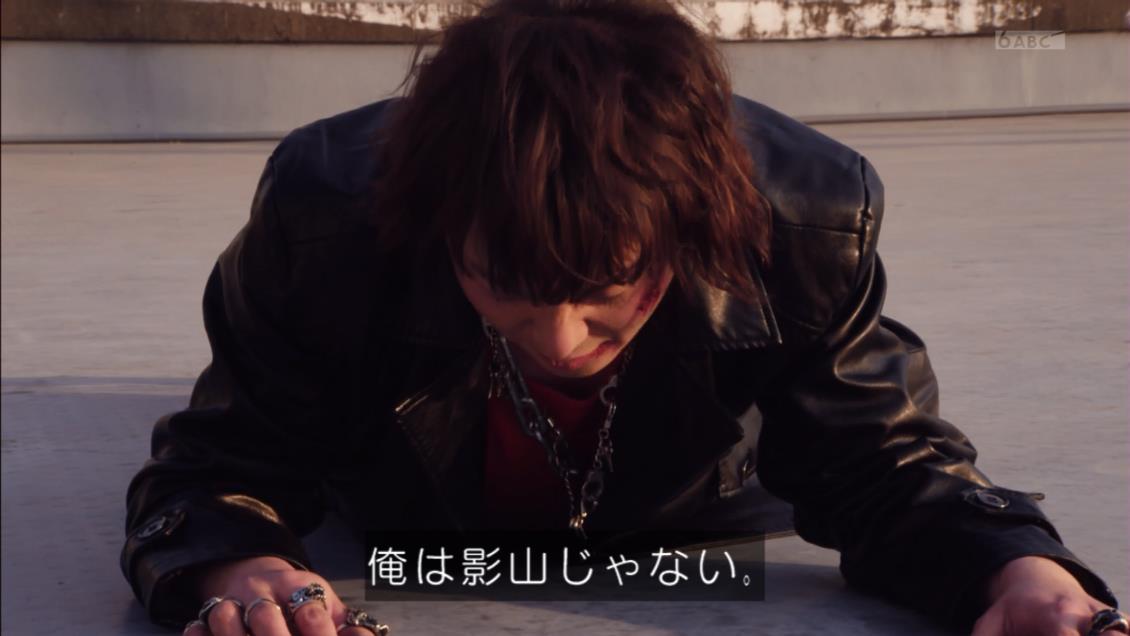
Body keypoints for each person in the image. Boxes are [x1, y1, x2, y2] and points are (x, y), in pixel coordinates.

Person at [120, 1, 1127, 635]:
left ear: (691, 228)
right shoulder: (325, 217)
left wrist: (1014, 570)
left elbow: (880, 461)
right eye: (502, 285)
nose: (561, 342)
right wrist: (240, 562)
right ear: (435, 225)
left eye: (608, 291)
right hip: (400, 518)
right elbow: (222, 464)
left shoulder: (804, 220)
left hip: (702, 522)